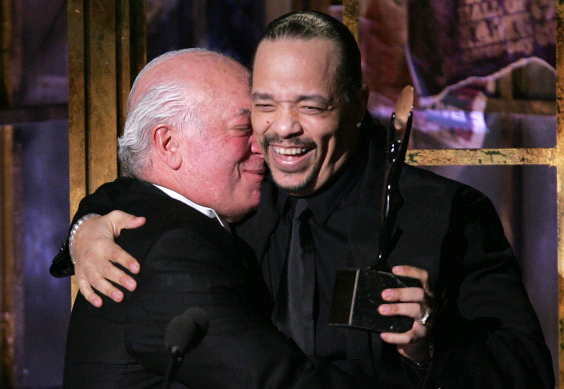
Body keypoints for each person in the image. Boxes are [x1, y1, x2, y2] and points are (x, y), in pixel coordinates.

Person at [52, 11, 554, 388]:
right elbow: (150, 186)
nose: (282, 128)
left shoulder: (445, 214)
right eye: (263, 106)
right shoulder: (244, 188)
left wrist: (431, 346)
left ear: (356, 106)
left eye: (310, 106)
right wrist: (86, 228)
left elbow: (527, 371)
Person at [61, 48, 366, 388]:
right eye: (242, 128)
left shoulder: (139, 216)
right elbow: (280, 382)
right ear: (168, 144)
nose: (263, 144)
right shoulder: (173, 250)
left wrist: (81, 228)